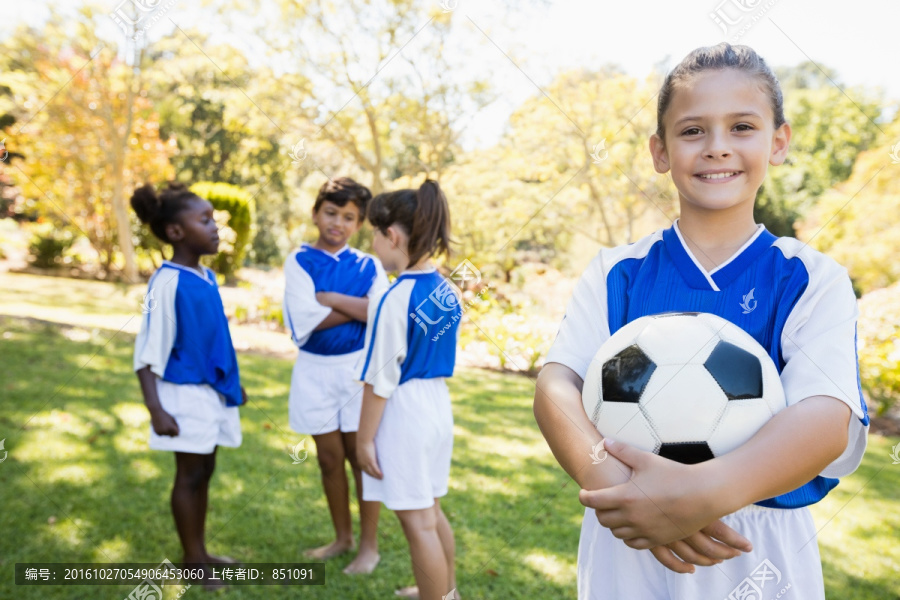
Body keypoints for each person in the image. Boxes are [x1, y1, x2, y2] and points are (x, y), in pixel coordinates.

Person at [533, 43, 869, 600]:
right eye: (692, 131)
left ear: (777, 141)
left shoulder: (809, 277)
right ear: (660, 151)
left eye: (741, 126)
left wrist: (697, 496)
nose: (717, 148)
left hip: (755, 545)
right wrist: (621, 488)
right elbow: (556, 386)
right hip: (631, 530)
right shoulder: (617, 272)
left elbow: (825, 417)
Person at [131, 182, 247, 587]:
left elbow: (211, 338)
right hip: (181, 396)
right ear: (176, 232)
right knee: (190, 475)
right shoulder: (167, 282)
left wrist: (234, 383)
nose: (215, 228)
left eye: (213, 218)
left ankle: (200, 552)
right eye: (205, 220)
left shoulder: (206, 276)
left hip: (210, 394)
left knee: (206, 469)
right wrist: (156, 409)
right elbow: (147, 353)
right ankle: (192, 560)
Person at [357, 180, 461, 600]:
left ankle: (437, 597)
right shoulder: (446, 289)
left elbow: (379, 380)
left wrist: (364, 440)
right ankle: (441, 591)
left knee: (417, 522)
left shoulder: (394, 296)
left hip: (405, 414)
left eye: (374, 237)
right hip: (437, 407)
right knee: (431, 512)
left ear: (393, 236)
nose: (374, 247)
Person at [283, 177, 388, 573]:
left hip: (358, 372)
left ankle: (369, 546)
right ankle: (342, 537)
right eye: (331, 213)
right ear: (315, 213)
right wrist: (360, 306)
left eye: (348, 217)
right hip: (314, 373)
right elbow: (304, 321)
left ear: (359, 223)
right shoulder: (299, 261)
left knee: (361, 456)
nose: (338, 223)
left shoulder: (368, 265)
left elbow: (382, 313)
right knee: (329, 460)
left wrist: (331, 301)